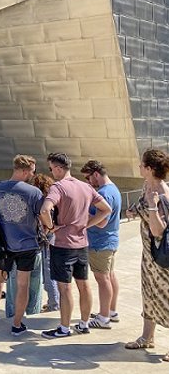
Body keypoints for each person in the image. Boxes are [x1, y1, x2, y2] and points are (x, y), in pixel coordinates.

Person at [40, 152, 112, 339]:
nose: (51, 172)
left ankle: (64, 328)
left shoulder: (58, 187)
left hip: (63, 244)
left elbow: (45, 209)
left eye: (51, 168)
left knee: (65, 288)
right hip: (82, 243)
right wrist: (87, 224)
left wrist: (50, 227)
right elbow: (107, 209)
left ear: (58, 168)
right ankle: (84, 323)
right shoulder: (85, 186)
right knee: (84, 285)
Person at [0, 155, 43, 336]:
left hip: (3, 243)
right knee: (23, 284)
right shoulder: (34, 192)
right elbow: (41, 213)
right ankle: (17, 324)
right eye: (32, 171)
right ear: (24, 170)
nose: (33, 174)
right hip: (27, 244)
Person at [124, 149, 169, 360]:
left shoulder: (162, 194)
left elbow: (159, 231)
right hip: (148, 256)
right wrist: (133, 210)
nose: (139, 167)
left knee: (166, 298)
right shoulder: (147, 187)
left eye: (142, 164)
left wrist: (152, 206)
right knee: (148, 295)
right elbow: (141, 207)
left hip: (162, 259)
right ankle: (147, 337)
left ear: (150, 168)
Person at [80, 159, 122, 329]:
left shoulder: (104, 193)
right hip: (111, 240)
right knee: (110, 276)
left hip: (100, 242)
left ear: (96, 174)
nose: (88, 182)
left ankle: (103, 317)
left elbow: (102, 222)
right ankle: (111, 311)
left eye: (88, 178)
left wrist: (83, 220)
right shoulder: (114, 189)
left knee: (102, 279)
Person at [32, 173, 59, 313]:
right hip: (53, 236)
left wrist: (48, 227)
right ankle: (53, 301)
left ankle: (54, 303)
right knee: (50, 270)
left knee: (48, 271)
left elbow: (44, 216)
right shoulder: (53, 199)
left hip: (46, 238)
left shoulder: (43, 202)